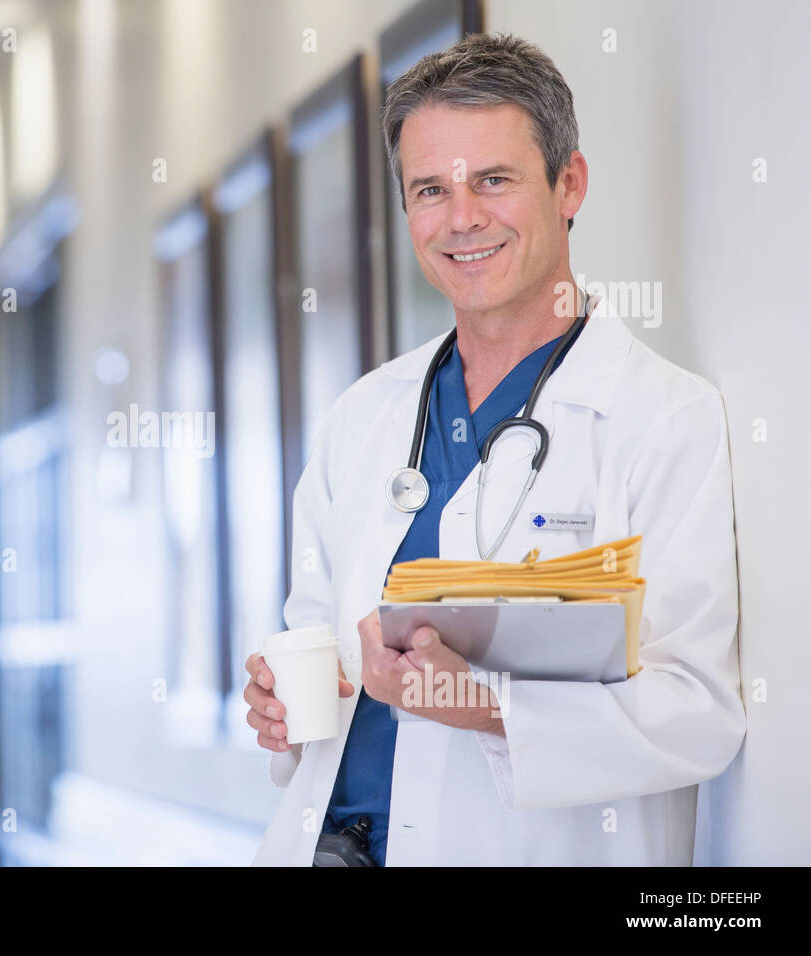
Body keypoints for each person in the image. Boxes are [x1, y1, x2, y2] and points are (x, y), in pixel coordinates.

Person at [245, 33, 744, 866]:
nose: (462, 217)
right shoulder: (363, 415)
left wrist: (474, 702)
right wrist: (280, 706)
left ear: (569, 184)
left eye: (494, 180)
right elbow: (322, 659)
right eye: (431, 189)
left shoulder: (664, 419)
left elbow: (699, 715)